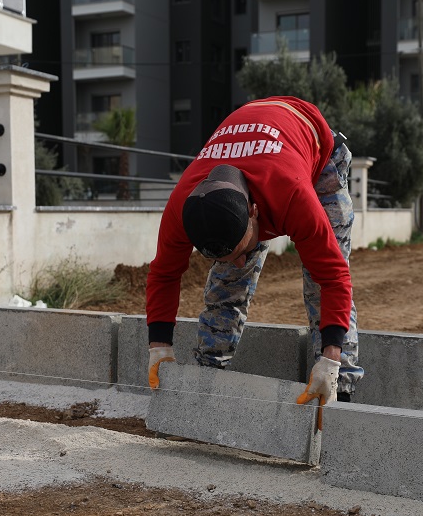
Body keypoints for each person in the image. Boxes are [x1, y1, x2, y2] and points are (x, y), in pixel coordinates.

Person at [145, 96, 361, 426]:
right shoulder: (184, 206)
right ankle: (204, 388)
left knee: (320, 282)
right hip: (254, 154)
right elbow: (163, 273)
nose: (240, 260)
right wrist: (158, 347)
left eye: (243, 249)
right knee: (227, 284)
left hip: (317, 157)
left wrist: (331, 359)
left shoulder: (292, 194)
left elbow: (333, 277)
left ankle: (339, 397)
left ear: (254, 212)